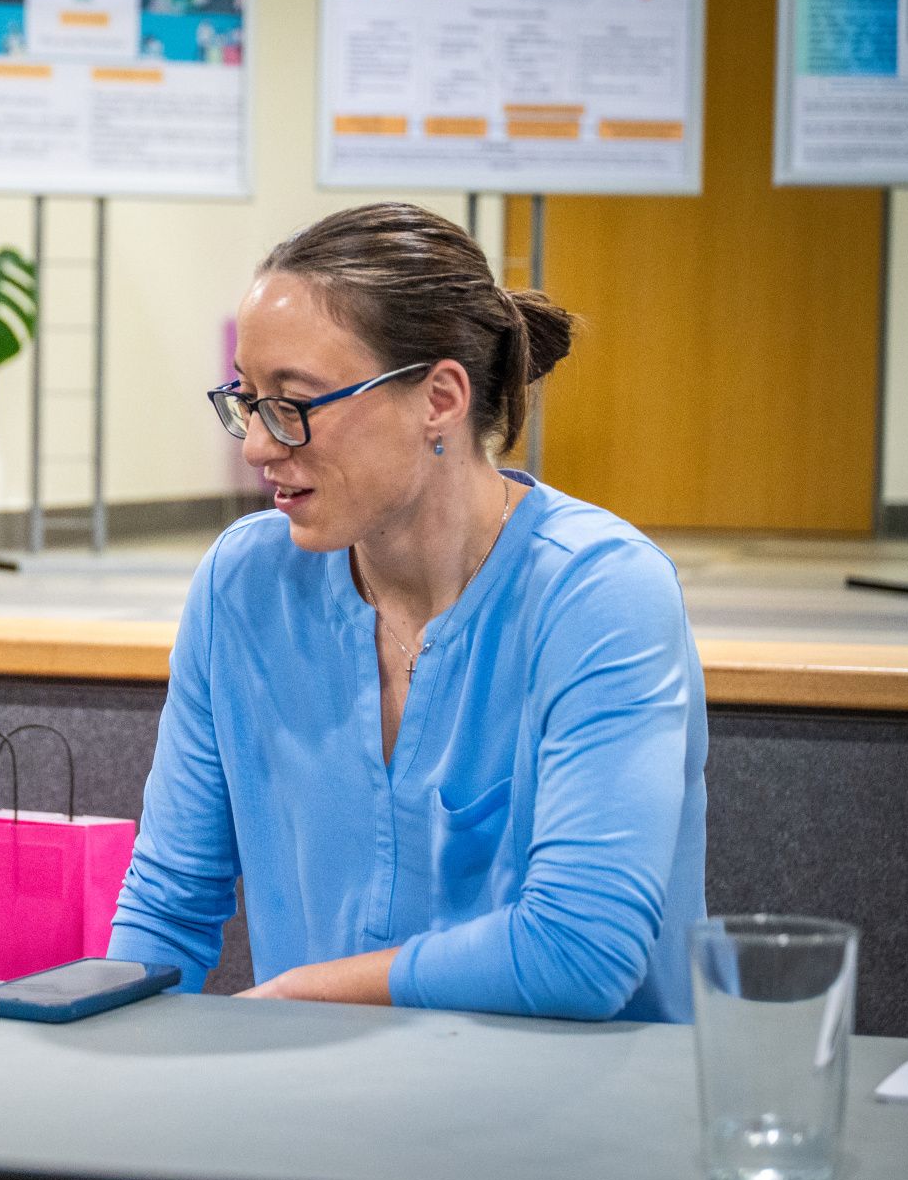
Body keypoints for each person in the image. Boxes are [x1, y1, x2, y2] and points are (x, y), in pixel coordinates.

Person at [108, 202, 705, 1022]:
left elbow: (579, 950)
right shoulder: (243, 583)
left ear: (439, 399)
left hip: (569, 1098)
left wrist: (297, 994)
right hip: (317, 1093)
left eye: (293, 403)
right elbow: (168, 905)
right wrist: (103, 1040)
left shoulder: (598, 592)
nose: (256, 445)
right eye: (247, 399)